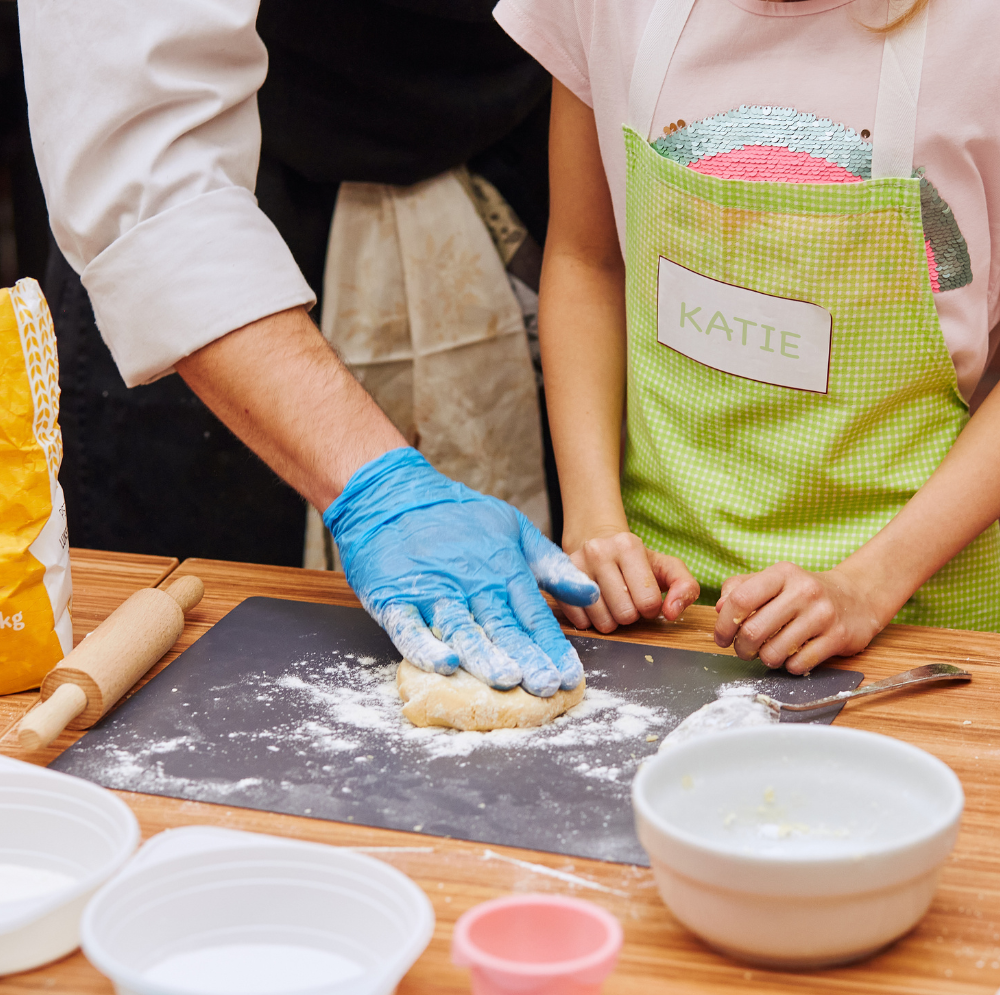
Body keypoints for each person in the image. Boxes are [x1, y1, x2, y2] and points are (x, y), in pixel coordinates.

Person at [18, 0, 600, 698]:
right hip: (222, 262)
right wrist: (382, 491)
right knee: (217, 696)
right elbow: (147, 160)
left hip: (521, 173)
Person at [494, 0, 1000, 673]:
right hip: (660, 612)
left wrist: (867, 586)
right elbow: (587, 261)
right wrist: (593, 519)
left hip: (919, 623)